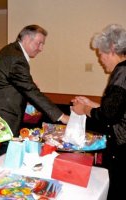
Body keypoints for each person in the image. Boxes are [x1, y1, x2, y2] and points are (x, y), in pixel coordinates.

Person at [0, 24, 69, 140]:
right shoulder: (16, 58)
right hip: (3, 117)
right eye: (39, 43)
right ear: (27, 39)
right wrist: (62, 116)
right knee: (1, 152)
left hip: (2, 114)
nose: (41, 48)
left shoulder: (13, 52)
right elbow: (30, 90)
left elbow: (20, 87)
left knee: (1, 152)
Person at [71, 24, 126, 200]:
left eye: (100, 55)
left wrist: (84, 109)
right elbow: (118, 109)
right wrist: (91, 103)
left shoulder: (122, 71)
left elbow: (109, 115)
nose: (100, 60)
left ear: (111, 49)